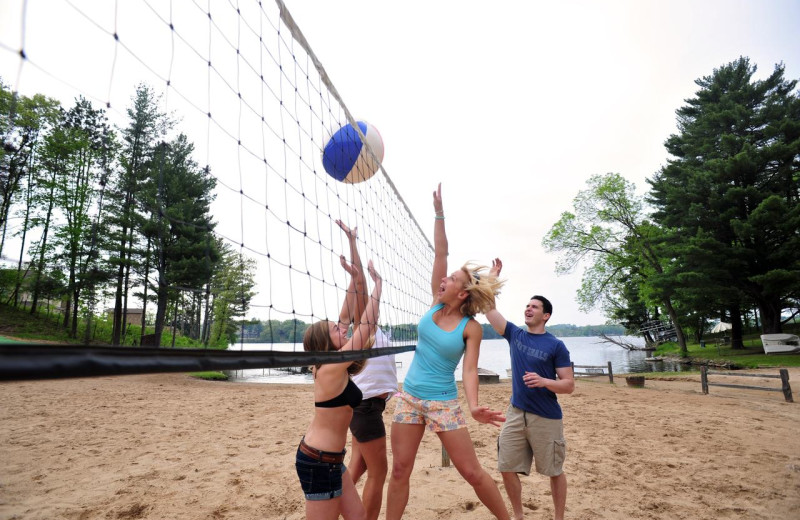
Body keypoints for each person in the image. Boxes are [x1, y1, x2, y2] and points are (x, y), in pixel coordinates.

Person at [385, 183, 511, 520]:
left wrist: (473, 405)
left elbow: (469, 370)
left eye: (451, 279)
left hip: (443, 402)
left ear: (462, 293)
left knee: (471, 472)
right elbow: (441, 251)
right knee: (399, 470)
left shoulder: (470, 327)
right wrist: (439, 212)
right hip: (409, 396)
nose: (443, 278)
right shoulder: (433, 305)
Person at [295, 219, 382, 520]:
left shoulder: (332, 359)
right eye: (336, 329)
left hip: (332, 460)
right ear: (324, 342)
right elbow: (367, 324)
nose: (341, 327)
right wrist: (378, 286)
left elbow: (349, 310)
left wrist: (356, 279)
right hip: (318, 461)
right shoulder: (331, 366)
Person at [484, 259, 574, 520]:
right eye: (527, 305)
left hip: (546, 416)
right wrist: (492, 278)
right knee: (506, 466)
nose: (528, 309)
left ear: (545, 315)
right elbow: (489, 309)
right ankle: (519, 516)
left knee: (554, 470)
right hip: (516, 412)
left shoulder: (556, 345)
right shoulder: (515, 335)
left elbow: (569, 385)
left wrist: (545, 381)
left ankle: (558, 517)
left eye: (534, 306)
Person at [336, 220, 399, 520]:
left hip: (370, 405)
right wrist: (376, 283)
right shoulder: (355, 330)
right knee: (379, 472)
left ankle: (330, 509)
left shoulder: (374, 329)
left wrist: (352, 241)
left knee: (358, 468)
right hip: (364, 407)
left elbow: (361, 285)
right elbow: (360, 285)